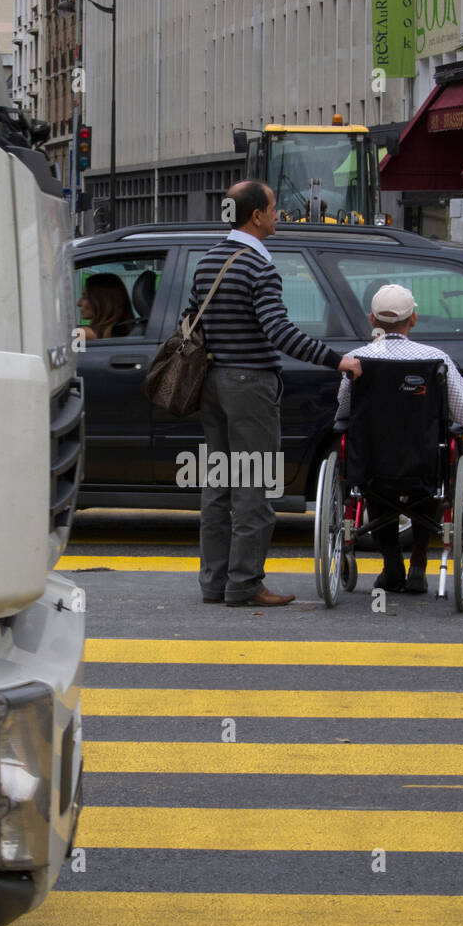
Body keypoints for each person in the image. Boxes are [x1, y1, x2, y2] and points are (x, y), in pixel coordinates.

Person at [185, 180, 362, 607]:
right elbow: (278, 331)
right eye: (274, 207)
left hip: (211, 383)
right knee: (253, 487)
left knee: (220, 483)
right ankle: (245, 584)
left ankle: (214, 582)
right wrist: (337, 360)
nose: (278, 213)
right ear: (256, 216)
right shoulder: (259, 267)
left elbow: (192, 318)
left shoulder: (209, 260)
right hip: (249, 387)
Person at [336, 284, 463, 594]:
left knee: (374, 479)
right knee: (433, 471)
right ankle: (418, 563)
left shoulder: (356, 359)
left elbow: (344, 410)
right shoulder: (436, 361)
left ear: (371, 319)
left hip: (372, 461)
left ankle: (392, 563)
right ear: (414, 319)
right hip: (424, 461)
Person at [77, 273, 136, 340]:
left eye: (85, 297)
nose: (78, 303)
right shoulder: (123, 330)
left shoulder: (89, 334)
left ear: (101, 301)